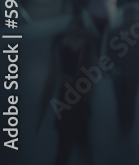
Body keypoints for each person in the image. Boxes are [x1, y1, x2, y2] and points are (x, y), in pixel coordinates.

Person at [38, 10, 97, 164]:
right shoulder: (63, 47)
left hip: (75, 99)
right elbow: (53, 75)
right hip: (70, 99)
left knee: (76, 144)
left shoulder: (85, 47)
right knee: (72, 143)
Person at [107, 5, 139, 135]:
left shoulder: (119, 30)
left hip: (130, 70)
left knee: (128, 96)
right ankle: (125, 122)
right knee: (124, 97)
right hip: (126, 69)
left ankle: (126, 122)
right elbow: (109, 51)